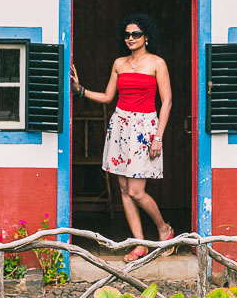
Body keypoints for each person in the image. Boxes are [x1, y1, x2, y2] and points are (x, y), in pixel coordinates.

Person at [70, 13, 174, 262]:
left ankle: (164, 229)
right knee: (124, 189)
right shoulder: (119, 63)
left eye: (136, 34)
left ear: (146, 37)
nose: (130, 38)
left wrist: (158, 136)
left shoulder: (157, 63)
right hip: (119, 126)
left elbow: (167, 101)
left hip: (144, 129)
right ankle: (139, 243)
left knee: (137, 191)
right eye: (127, 34)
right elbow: (108, 97)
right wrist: (80, 90)